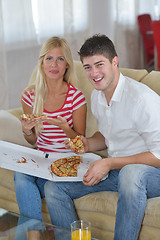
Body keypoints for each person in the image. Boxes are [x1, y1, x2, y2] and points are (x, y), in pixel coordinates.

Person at [44, 34, 160, 240]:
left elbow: (158, 156)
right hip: (119, 171)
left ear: (115, 62)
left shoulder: (142, 100)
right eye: (88, 67)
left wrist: (109, 163)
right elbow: (106, 137)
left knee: (130, 174)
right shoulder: (97, 96)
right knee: (54, 188)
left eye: (99, 64)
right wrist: (87, 144)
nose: (93, 73)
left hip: (151, 173)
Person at [14, 36, 87, 239]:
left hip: (67, 160)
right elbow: (34, 141)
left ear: (67, 66)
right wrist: (28, 131)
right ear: (41, 62)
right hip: (42, 159)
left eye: (60, 59)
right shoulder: (29, 96)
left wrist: (66, 129)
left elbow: (81, 142)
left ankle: (33, 235)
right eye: (49, 59)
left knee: (37, 187)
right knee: (20, 175)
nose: (54, 65)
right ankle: (34, 235)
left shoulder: (76, 97)